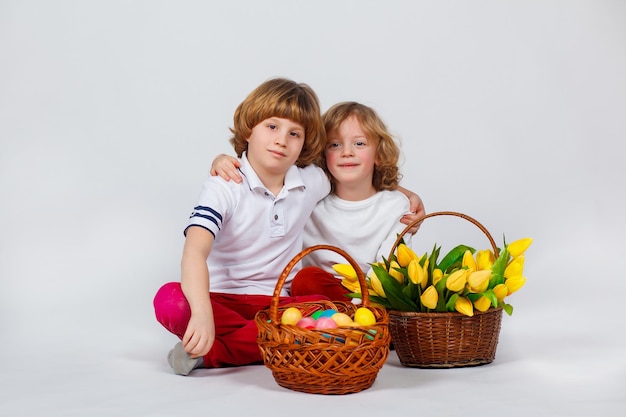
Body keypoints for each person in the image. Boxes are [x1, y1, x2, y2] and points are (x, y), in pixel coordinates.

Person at [153, 78, 333, 376]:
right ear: (249, 128)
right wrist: (201, 313)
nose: (281, 140)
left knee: (326, 307)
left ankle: (213, 355)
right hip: (222, 300)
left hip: (279, 303)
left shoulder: (311, 180)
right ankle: (280, 343)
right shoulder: (225, 184)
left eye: (294, 133)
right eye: (271, 127)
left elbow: (353, 178)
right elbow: (194, 253)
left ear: (304, 143)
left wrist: (402, 194)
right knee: (169, 300)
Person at [211, 101, 425, 302]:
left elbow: (388, 272)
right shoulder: (308, 197)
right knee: (306, 279)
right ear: (322, 154)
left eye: (359, 143)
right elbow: (268, 175)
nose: (347, 152)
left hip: (373, 300)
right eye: (334, 145)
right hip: (315, 302)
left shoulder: (396, 207)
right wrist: (222, 160)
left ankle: (354, 328)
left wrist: (363, 308)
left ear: (379, 154)